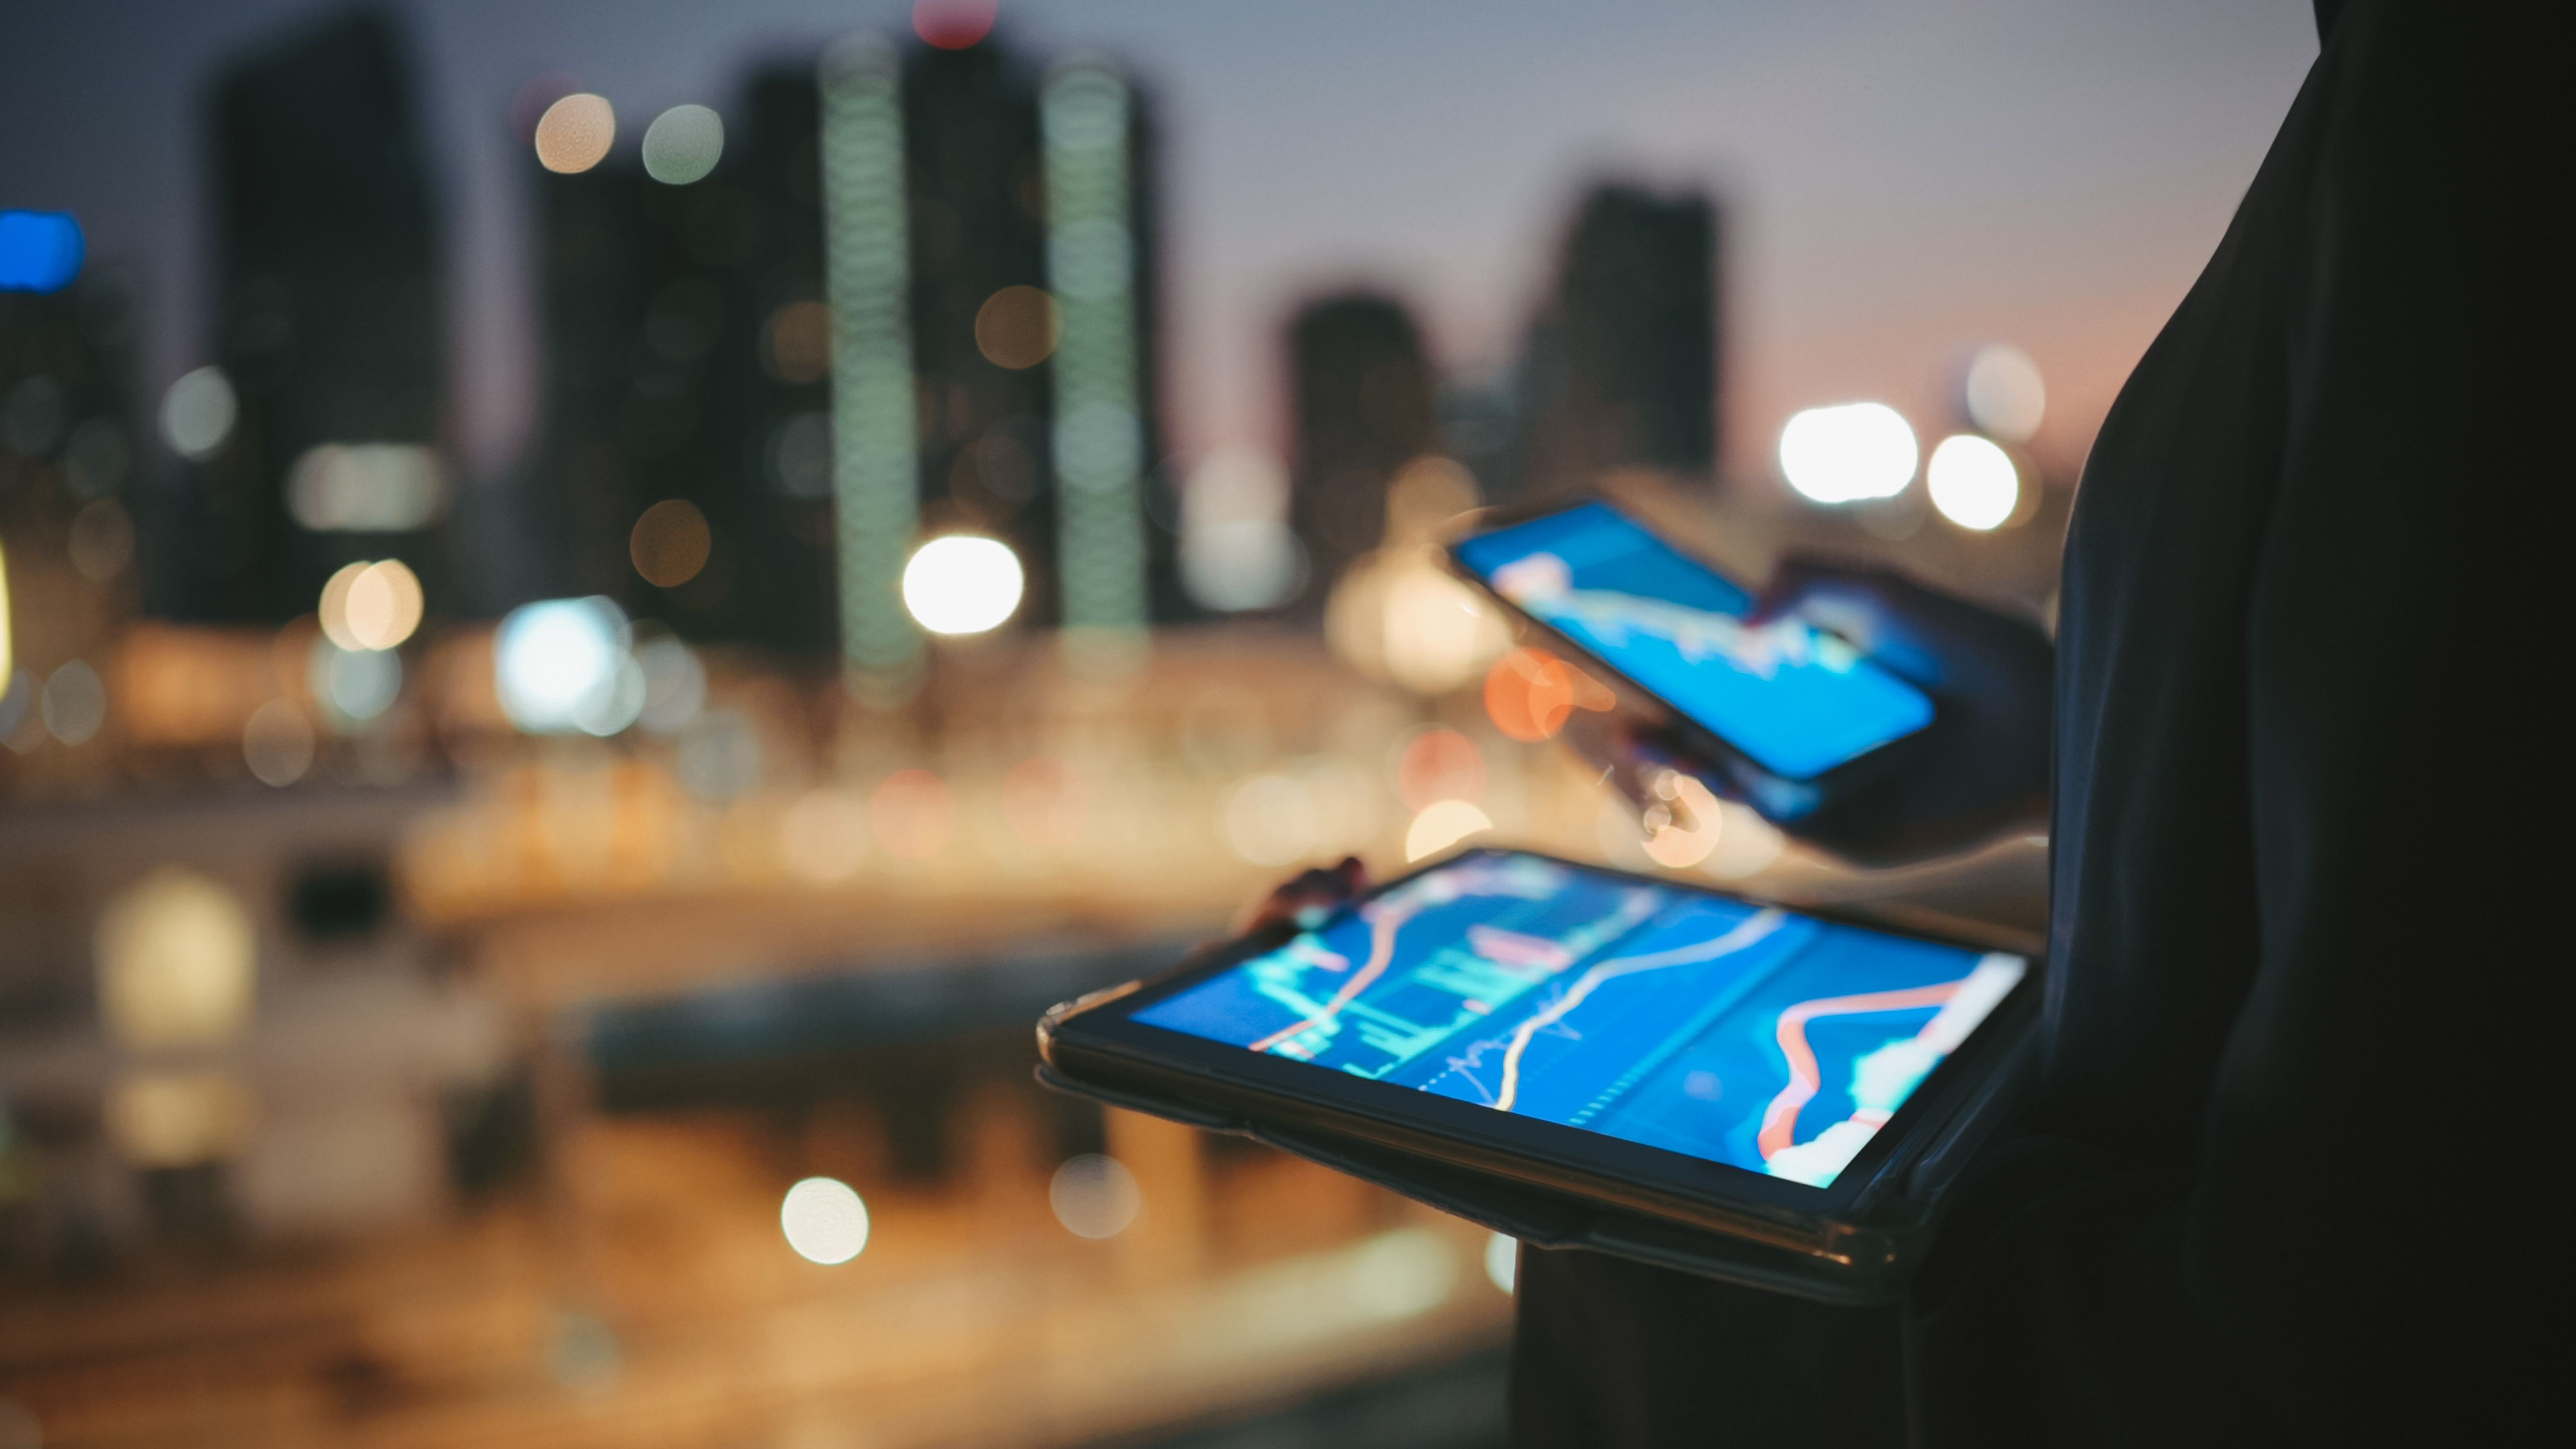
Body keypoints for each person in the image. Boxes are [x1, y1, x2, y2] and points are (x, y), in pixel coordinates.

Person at [1254, 2, 2543, 1441]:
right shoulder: (2417, 99)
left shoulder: (2477, 119)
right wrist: (2050, 739)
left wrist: (1638, 1224)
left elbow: (2346, 1343)